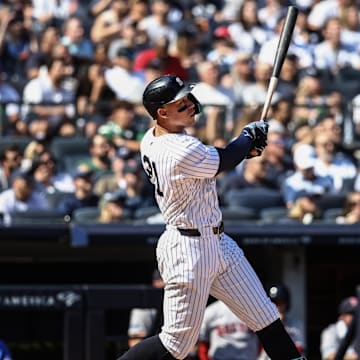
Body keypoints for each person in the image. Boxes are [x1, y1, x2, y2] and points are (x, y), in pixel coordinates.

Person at [116, 74, 306, 360]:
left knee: (267, 317)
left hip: (217, 241)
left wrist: (244, 149)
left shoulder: (156, 136)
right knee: (176, 344)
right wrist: (245, 139)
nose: (191, 105)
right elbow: (223, 160)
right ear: (162, 113)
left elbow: (221, 156)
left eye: (188, 98)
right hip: (187, 248)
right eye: (181, 104)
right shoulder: (175, 149)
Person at [320, 296, 359, 360]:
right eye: (352, 314)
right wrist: (356, 357)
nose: (356, 316)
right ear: (342, 316)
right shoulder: (331, 332)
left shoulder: (358, 330)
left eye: (358, 313)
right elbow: (329, 356)